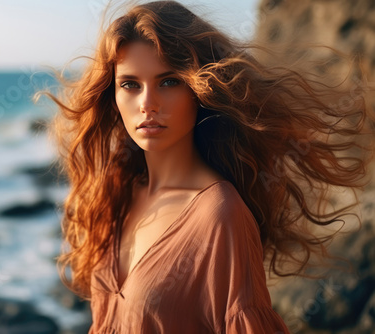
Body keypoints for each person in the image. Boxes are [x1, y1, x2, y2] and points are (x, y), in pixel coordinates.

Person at [35, 1, 374, 332]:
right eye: (130, 84)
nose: (147, 104)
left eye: (169, 81)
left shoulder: (220, 215)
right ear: (113, 94)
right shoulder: (118, 193)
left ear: (199, 88)